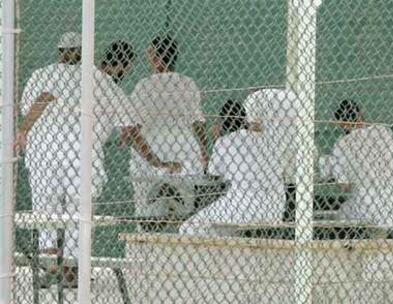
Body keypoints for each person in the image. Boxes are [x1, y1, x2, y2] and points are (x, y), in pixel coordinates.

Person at [16, 33, 179, 286]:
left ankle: (52, 268)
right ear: (85, 51)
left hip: (44, 154)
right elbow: (131, 127)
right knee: (78, 212)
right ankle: (70, 272)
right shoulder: (99, 80)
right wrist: (155, 161)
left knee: (46, 211)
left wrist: (24, 129)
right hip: (80, 155)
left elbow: (39, 100)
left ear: (60, 51)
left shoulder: (42, 74)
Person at [179, 98, 286, 236]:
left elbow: (213, 174)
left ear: (223, 123)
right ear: (245, 119)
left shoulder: (225, 142)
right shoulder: (269, 141)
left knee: (189, 228)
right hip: (275, 208)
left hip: (241, 204)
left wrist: (216, 139)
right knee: (223, 229)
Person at [129, 33, 207, 218]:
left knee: (147, 213)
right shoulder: (188, 84)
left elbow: (133, 127)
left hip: (153, 152)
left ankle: (146, 239)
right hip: (184, 153)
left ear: (155, 57)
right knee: (184, 212)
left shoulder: (144, 86)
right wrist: (203, 150)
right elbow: (198, 124)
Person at [320, 100, 393, 228]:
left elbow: (344, 186)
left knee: (339, 215)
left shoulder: (341, 145)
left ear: (340, 123)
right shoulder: (382, 131)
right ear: (360, 115)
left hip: (368, 206)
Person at [244, 89, 301, 222]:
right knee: (293, 186)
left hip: (274, 150)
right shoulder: (292, 96)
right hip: (298, 146)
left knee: (275, 186)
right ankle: (294, 220)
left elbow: (254, 127)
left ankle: (277, 219)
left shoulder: (253, 98)